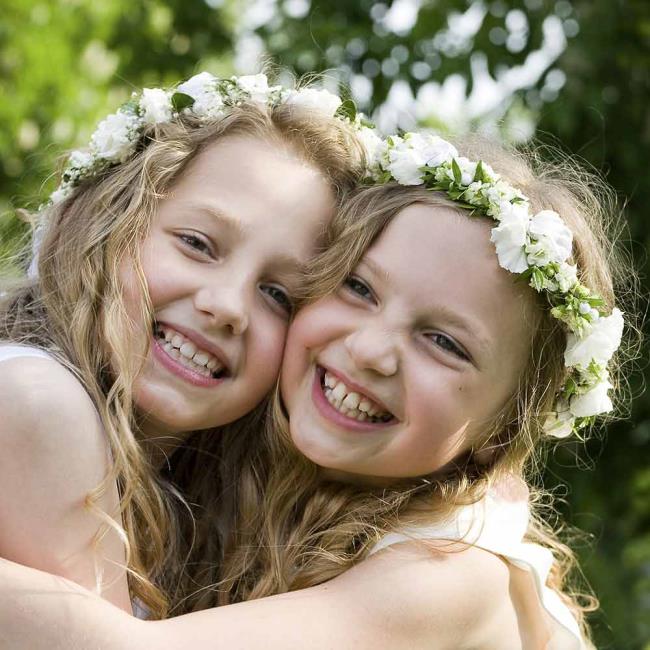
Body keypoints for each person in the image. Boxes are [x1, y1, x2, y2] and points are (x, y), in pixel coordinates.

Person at [0, 132, 633, 649]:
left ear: (503, 427)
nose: (369, 349)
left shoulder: (453, 577)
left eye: (445, 343)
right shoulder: (231, 491)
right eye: (359, 289)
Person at [0, 71, 369, 617]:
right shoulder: (38, 400)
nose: (228, 306)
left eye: (278, 295)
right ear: (101, 221)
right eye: (197, 244)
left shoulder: (196, 508)